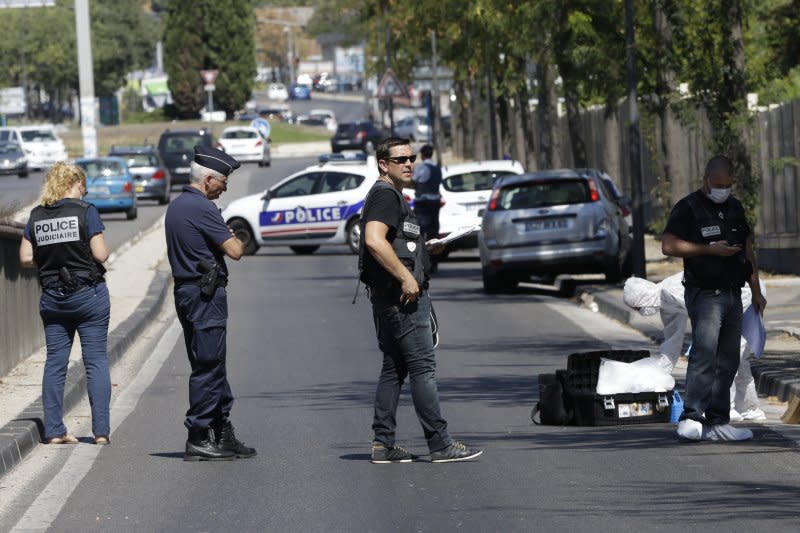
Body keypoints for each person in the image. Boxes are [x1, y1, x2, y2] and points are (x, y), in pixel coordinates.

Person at [359, 137, 482, 463]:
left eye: (411, 158)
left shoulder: (389, 195)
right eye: (401, 159)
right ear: (384, 164)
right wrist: (406, 277)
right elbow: (373, 240)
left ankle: (383, 444)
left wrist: (429, 249)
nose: (409, 163)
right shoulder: (386, 195)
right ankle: (440, 443)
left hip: (389, 297)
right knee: (422, 369)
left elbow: (396, 242)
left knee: (393, 369)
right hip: (403, 299)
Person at [662, 155, 767, 441]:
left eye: (728, 185)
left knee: (729, 359)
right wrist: (707, 250)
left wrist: (756, 291)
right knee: (704, 354)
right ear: (706, 180)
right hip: (705, 293)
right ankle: (692, 416)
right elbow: (668, 246)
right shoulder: (688, 208)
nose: (723, 190)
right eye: (718, 184)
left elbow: (748, 250)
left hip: (734, 294)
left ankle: (718, 420)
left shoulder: (735, 207)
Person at [164, 145, 256, 461]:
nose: (225, 186)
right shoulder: (201, 208)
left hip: (188, 293)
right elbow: (235, 250)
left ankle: (221, 431)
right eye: (223, 181)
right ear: (207, 180)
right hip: (205, 296)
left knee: (211, 362)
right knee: (208, 365)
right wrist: (230, 237)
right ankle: (200, 435)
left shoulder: (177, 206)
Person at [18, 162, 112, 445]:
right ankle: (100, 433)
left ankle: (55, 431)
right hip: (88, 297)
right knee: (95, 361)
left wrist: (49, 259)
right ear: (77, 184)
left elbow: (24, 258)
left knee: (55, 363)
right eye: (83, 186)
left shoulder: (37, 216)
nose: (84, 191)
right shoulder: (86, 211)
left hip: (53, 299)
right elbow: (101, 254)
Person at [623, 272, 768, 421]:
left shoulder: (672, 290)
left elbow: (704, 310)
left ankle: (725, 407)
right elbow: (672, 341)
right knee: (737, 359)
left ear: (642, 298)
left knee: (727, 354)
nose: (640, 312)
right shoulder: (665, 304)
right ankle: (748, 409)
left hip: (743, 294)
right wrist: (660, 374)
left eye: (637, 308)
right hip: (725, 300)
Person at [411, 144, 442, 241]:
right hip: (435, 200)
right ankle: (433, 250)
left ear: (422, 155)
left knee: (420, 228)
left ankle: (421, 251)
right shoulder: (437, 168)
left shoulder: (422, 167)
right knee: (433, 227)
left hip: (423, 201)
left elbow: (415, 180)